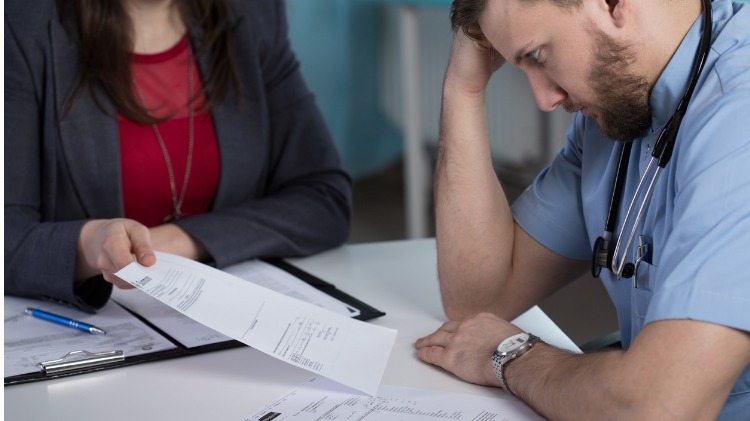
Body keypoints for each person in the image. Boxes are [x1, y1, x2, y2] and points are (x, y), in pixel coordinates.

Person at [414, 0, 750, 419]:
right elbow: (478, 297)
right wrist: (463, 90)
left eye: (538, 55)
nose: (544, 99)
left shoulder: (739, 113)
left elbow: (655, 408)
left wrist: (510, 356)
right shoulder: (620, 110)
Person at [5, 0, 352, 313]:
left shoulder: (253, 12)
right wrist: (89, 245)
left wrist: (176, 241)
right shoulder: (21, 25)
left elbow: (324, 198)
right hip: (96, 332)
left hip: (222, 321)